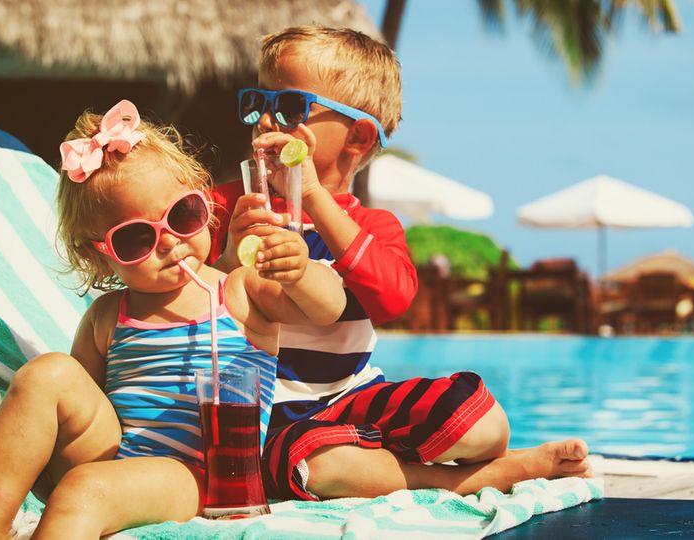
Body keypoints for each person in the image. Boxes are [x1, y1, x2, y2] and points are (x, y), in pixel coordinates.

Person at [211, 26, 593, 502]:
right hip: (268, 417)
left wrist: (310, 195)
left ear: (358, 136)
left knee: (485, 424)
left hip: (351, 397)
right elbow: (177, 289)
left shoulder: (372, 227)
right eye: (259, 103)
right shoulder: (225, 208)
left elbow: (393, 300)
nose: (266, 122)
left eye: (289, 108)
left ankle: (440, 457)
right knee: (319, 466)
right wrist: (226, 257)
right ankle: (466, 480)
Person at [0, 99, 346, 539]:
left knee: (85, 490)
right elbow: (71, 407)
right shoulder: (108, 315)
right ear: (100, 256)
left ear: (204, 200)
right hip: (109, 457)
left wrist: (301, 273)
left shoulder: (238, 291)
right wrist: (9, 451)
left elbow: (328, 309)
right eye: (136, 238)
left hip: (196, 476)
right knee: (48, 372)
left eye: (183, 215)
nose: (169, 243)